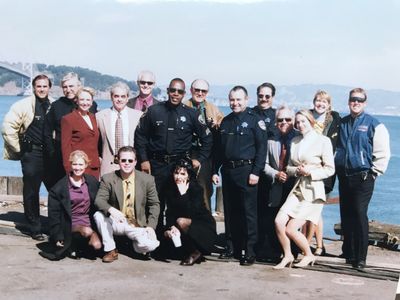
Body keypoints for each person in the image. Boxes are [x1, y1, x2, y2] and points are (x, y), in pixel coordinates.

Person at [134, 78, 212, 236]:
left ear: (184, 94)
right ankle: (155, 241)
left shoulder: (191, 114)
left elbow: (208, 139)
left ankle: (176, 244)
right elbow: (140, 136)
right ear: (167, 90)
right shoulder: (154, 111)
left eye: (180, 91)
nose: (175, 94)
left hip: (179, 168)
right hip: (156, 165)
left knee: (178, 205)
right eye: (173, 90)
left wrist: (199, 159)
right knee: (155, 204)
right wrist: (144, 159)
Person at [335, 88, 390, 270]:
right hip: (344, 175)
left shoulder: (374, 124)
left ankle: (360, 257)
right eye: (353, 99)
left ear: (364, 103)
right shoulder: (342, 123)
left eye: (360, 100)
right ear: (349, 101)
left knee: (359, 214)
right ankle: (349, 253)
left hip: (364, 176)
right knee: (347, 214)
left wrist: (375, 172)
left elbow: (382, 152)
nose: (356, 102)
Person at [212, 86, 267, 266]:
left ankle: (250, 251)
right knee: (230, 211)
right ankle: (231, 248)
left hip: (247, 171)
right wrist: (214, 170)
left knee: (248, 213)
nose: (235, 103)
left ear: (246, 100)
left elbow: (261, 149)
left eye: (238, 100)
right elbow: (219, 150)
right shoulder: (226, 122)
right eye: (232, 100)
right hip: (228, 171)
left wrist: (256, 172)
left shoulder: (255, 121)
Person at [273, 110, 334, 269]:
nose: (300, 125)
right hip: (297, 188)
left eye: (303, 121)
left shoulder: (324, 141)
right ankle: (287, 255)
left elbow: (330, 169)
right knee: (279, 221)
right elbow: (289, 168)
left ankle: (308, 254)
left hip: (313, 191)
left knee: (292, 229)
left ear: (311, 121)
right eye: (297, 122)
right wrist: (297, 171)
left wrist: (311, 172)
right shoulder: (295, 141)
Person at [2, 74, 54, 240]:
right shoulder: (23, 105)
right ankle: (34, 227)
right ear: (33, 87)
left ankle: (55, 226)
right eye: (38, 86)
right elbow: (7, 127)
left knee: (55, 189)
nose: (42, 89)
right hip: (31, 152)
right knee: (31, 191)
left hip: (50, 154)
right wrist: (20, 149)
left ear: (49, 87)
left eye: (45, 86)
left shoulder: (54, 105)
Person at [94, 146, 160, 263]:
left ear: (135, 162)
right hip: (117, 221)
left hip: (136, 223)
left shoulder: (147, 180)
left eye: (130, 160)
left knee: (151, 245)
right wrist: (111, 210)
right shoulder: (108, 178)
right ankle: (111, 250)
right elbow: (99, 200)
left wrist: (151, 226)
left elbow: (154, 204)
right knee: (98, 216)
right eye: (123, 160)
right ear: (118, 161)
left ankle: (134, 246)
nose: (127, 163)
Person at [41, 150, 101, 260]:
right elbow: (53, 214)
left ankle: (76, 246)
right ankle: (72, 243)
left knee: (97, 246)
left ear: (86, 165)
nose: (77, 168)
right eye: (74, 164)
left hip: (87, 220)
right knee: (86, 231)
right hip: (69, 223)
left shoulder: (91, 181)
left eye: (81, 164)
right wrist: (57, 235)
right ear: (70, 164)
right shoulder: (59, 188)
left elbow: (100, 201)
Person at [258, 105, 297, 262]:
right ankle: (277, 250)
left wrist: (291, 173)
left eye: (288, 119)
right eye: (280, 120)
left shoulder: (298, 139)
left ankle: (293, 251)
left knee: (292, 221)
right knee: (273, 218)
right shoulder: (270, 140)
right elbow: (263, 164)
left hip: (294, 186)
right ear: (275, 122)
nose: (284, 122)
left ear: (293, 120)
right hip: (275, 185)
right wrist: (275, 174)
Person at [44, 72, 97, 188]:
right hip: (61, 157)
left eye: (71, 86)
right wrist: (52, 152)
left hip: (86, 157)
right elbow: (46, 132)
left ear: (79, 86)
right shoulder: (56, 106)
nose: (68, 90)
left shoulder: (90, 105)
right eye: (65, 87)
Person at [304, 90, 341, 256]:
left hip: (324, 172)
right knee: (308, 208)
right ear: (314, 102)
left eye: (324, 102)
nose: (320, 104)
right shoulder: (307, 117)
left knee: (316, 209)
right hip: (306, 169)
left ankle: (310, 246)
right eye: (318, 100)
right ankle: (318, 245)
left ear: (329, 105)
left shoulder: (334, 121)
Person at [163, 159, 217, 265]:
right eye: (176, 173)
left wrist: (183, 194)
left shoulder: (196, 189)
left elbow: (192, 213)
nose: (179, 177)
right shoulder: (170, 189)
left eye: (183, 174)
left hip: (202, 226)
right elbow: (170, 212)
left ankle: (197, 251)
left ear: (189, 175)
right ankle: (186, 249)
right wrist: (171, 227)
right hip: (182, 226)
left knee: (181, 221)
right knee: (167, 234)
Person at [183, 79, 224, 211]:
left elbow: (223, 125)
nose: (200, 93)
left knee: (205, 190)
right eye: (197, 90)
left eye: (203, 91)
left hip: (205, 154)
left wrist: (215, 126)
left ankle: (205, 223)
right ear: (191, 90)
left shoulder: (213, 109)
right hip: (186, 152)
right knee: (183, 190)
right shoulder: (183, 106)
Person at [96, 82, 143, 176]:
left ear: (127, 98)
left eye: (123, 96)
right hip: (108, 168)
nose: (119, 99)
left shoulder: (138, 116)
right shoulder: (100, 116)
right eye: (116, 96)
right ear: (111, 97)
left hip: (131, 166)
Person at [61, 87, 100, 179]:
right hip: (78, 167)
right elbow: (65, 147)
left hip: (94, 166)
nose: (85, 102)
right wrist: (69, 169)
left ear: (91, 102)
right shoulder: (68, 119)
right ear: (77, 101)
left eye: (88, 100)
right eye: (82, 99)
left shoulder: (94, 117)